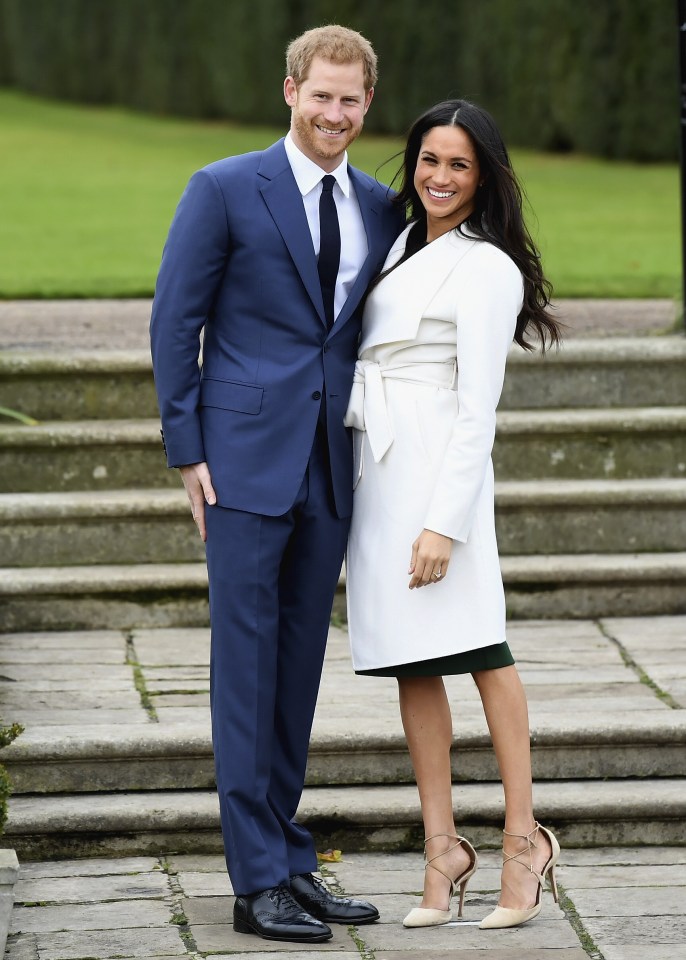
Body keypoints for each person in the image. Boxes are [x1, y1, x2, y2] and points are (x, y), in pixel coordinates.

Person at [150, 25, 404, 945]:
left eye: (351, 100)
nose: (335, 113)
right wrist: (188, 449)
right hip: (242, 466)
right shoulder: (223, 189)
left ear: (366, 105)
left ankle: (291, 862)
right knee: (245, 672)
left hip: (330, 467)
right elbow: (175, 319)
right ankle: (255, 879)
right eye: (320, 94)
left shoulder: (380, 205)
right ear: (289, 90)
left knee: (297, 672)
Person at [344, 99, 563, 931]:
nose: (440, 178)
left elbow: (479, 410)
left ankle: (521, 841)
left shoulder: (486, 267)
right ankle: (442, 852)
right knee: (412, 661)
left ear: (485, 177)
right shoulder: (400, 242)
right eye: (429, 160)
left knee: (483, 651)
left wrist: (446, 524)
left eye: (459, 165)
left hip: (441, 470)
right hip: (380, 469)